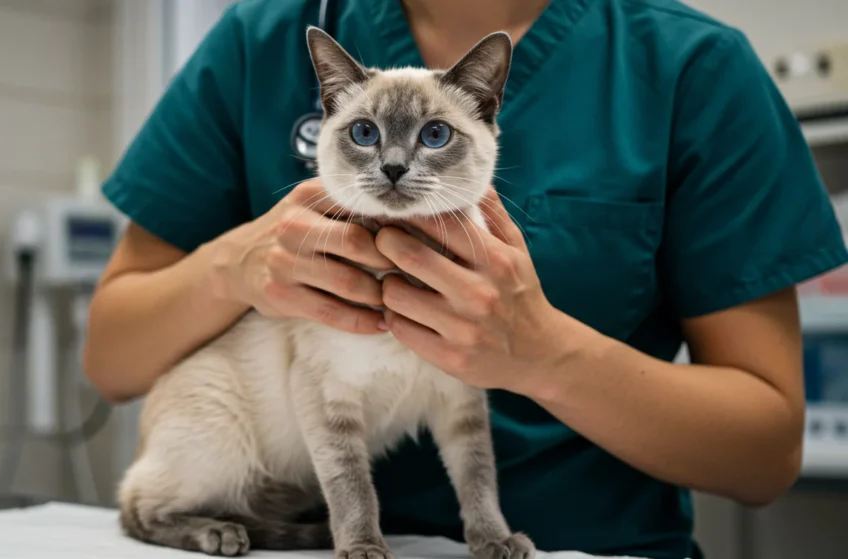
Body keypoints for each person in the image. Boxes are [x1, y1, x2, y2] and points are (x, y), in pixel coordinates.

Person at [83, 0, 848, 557]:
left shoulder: (690, 65)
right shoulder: (263, 38)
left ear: (485, 111)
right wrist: (236, 265)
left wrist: (544, 353)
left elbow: (766, 453)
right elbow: (110, 360)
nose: (393, 163)